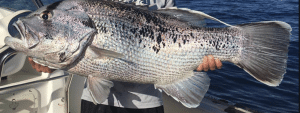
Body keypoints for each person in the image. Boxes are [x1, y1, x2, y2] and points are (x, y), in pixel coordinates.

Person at [28, 0, 223, 113]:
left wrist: (195, 60)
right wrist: (49, 60)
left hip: (147, 103)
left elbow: (179, 34)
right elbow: (71, 39)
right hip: (96, 102)